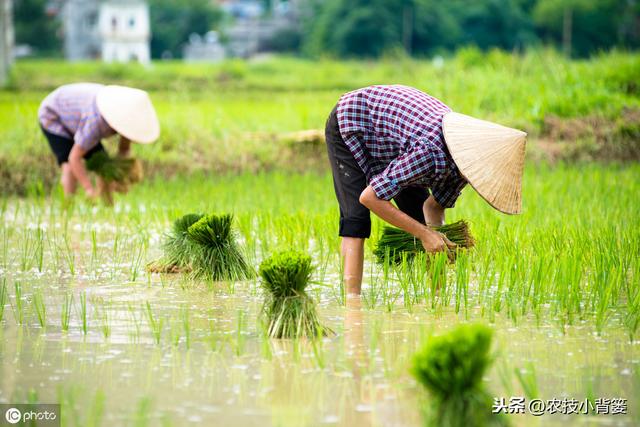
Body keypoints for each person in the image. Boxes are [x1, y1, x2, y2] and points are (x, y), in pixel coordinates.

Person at [325, 85, 527, 295]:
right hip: (354, 121)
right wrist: (424, 234)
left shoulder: (464, 167)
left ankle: (436, 295)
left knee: (419, 219)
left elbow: (433, 208)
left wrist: (435, 238)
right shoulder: (429, 153)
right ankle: (352, 304)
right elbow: (370, 198)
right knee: (356, 220)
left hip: (398, 143)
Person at [38, 83, 160, 198]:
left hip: (77, 115)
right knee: (68, 165)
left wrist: (121, 176)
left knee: (104, 165)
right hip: (53, 115)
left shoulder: (125, 120)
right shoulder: (95, 123)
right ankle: (67, 208)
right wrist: (88, 189)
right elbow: (74, 158)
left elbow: (124, 150)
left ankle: (108, 207)